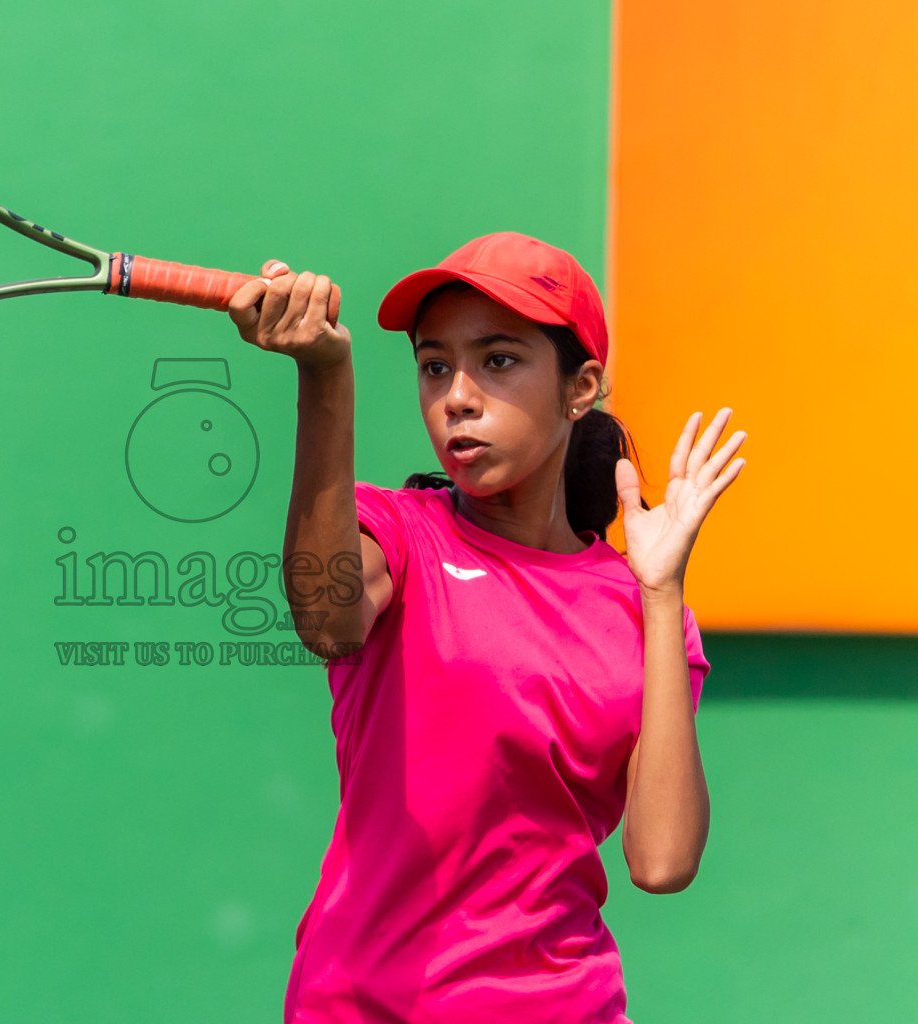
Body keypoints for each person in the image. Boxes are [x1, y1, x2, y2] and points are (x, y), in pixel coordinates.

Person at [225, 232, 747, 1023]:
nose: (457, 396)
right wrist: (325, 374)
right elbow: (329, 621)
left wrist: (663, 591)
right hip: (362, 1006)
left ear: (581, 388)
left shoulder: (638, 606)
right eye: (435, 366)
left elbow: (663, 860)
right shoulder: (397, 534)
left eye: (497, 361)